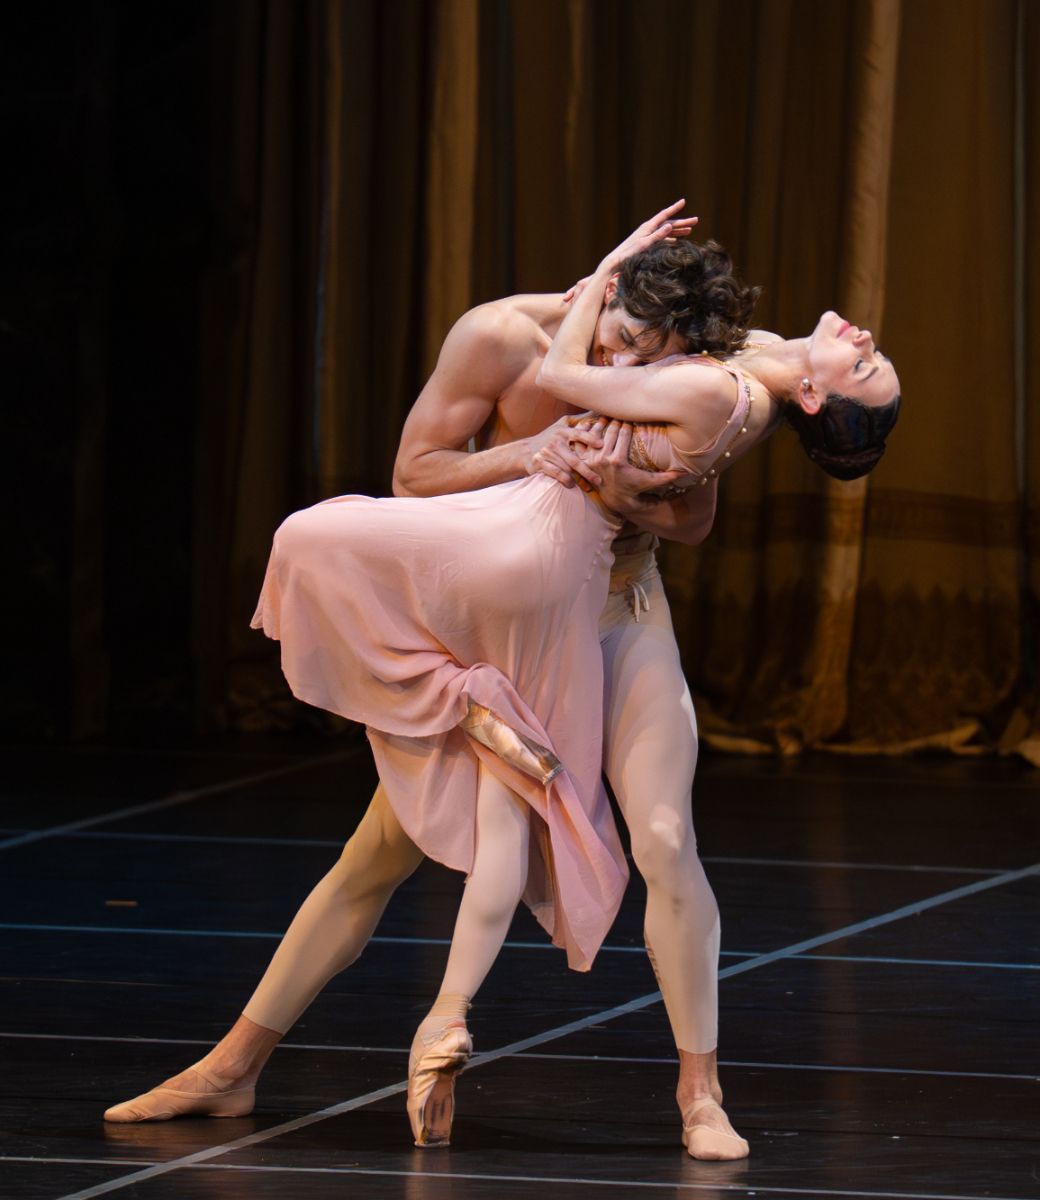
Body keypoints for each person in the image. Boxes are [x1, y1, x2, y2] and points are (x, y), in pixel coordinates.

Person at [103, 203, 899, 1162]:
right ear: (598, 301)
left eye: (665, 351)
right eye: (630, 343)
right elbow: (414, 475)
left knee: (662, 832)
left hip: (618, 609)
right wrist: (537, 453)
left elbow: (695, 517)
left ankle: (701, 1093)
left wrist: (633, 492)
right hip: (498, 626)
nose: (638, 369)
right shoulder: (498, 337)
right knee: (376, 855)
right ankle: (231, 1068)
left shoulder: (731, 362)